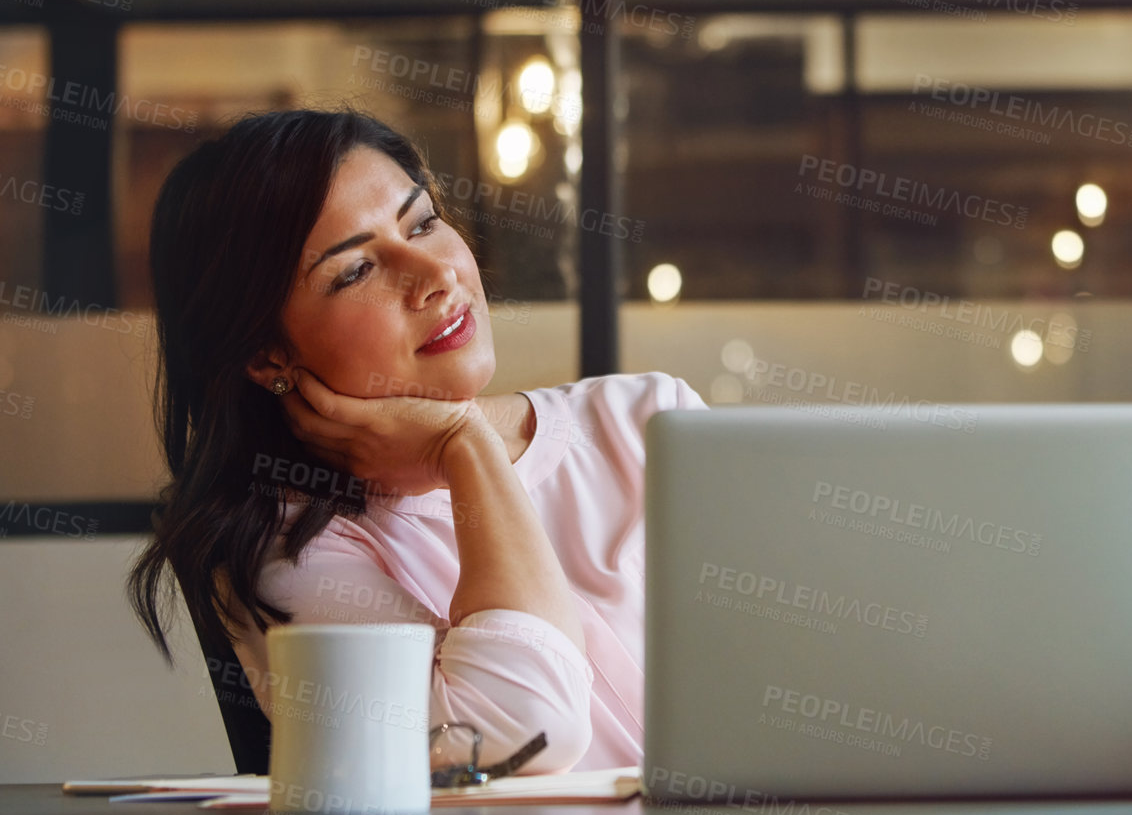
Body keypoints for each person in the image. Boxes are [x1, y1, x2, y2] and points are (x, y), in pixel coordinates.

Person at [127, 108, 705, 774]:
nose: (434, 275)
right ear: (266, 354)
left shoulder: (648, 422)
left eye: (424, 223)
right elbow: (517, 735)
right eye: (354, 272)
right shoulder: (290, 547)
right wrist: (466, 448)